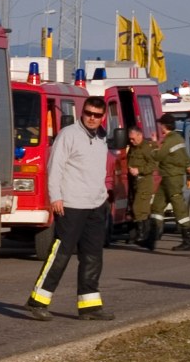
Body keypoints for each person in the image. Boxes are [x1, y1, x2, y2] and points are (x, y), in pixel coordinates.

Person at [25, 95, 113, 321]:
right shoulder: (69, 135)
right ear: (82, 113)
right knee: (61, 254)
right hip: (71, 205)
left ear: (103, 117)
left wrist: (104, 197)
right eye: (88, 114)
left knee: (93, 256)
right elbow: (55, 167)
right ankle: (38, 301)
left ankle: (90, 306)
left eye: (97, 115)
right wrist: (56, 197)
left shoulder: (102, 137)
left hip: (96, 205)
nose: (92, 118)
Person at [145, 113, 190, 251]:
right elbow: (186, 157)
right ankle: (152, 238)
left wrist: (154, 145)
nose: (159, 127)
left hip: (172, 178)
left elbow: (159, 156)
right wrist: (188, 167)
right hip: (168, 178)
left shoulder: (170, 140)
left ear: (164, 126)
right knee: (157, 206)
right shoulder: (178, 138)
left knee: (179, 208)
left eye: (160, 124)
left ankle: (188, 240)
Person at [125, 126, 159, 246]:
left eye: (133, 139)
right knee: (137, 209)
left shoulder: (146, 148)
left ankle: (143, 233)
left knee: (139, 208)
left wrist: (139, 170)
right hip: (135, 182)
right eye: (130, 139)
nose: (131, 141)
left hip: (144, 181)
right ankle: (138, 233)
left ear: (140, 135)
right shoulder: (133, 148)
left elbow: (153, 164)